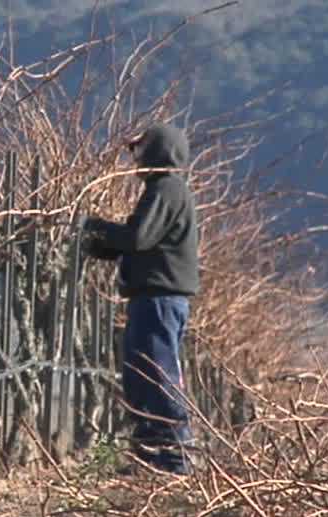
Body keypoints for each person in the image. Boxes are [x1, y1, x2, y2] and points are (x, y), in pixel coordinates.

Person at [80, 122, 199, 474]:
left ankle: (174, 458)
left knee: (155, 376)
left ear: (158, 151)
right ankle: (151, 455)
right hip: (155, 298)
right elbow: (139, 244)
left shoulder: (166, 189)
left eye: (139, 149)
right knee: (141, 376)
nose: (134, 158)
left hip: (159, 300)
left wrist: (89, 226)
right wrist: (95, 245)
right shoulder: (168, 190)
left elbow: (137, 238)